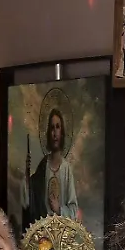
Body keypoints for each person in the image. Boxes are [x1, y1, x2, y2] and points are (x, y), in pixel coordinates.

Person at [22, 94, 80, 227]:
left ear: (62, 132)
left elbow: (74, 209)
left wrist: (59, 209)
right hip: (43, 231)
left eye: (58, 127)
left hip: (61, 232)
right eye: (52, 128)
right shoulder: (43, 165)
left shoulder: (66, 169)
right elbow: (31, 198)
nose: (55, 133)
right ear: (48, 132)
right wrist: (27, 174)